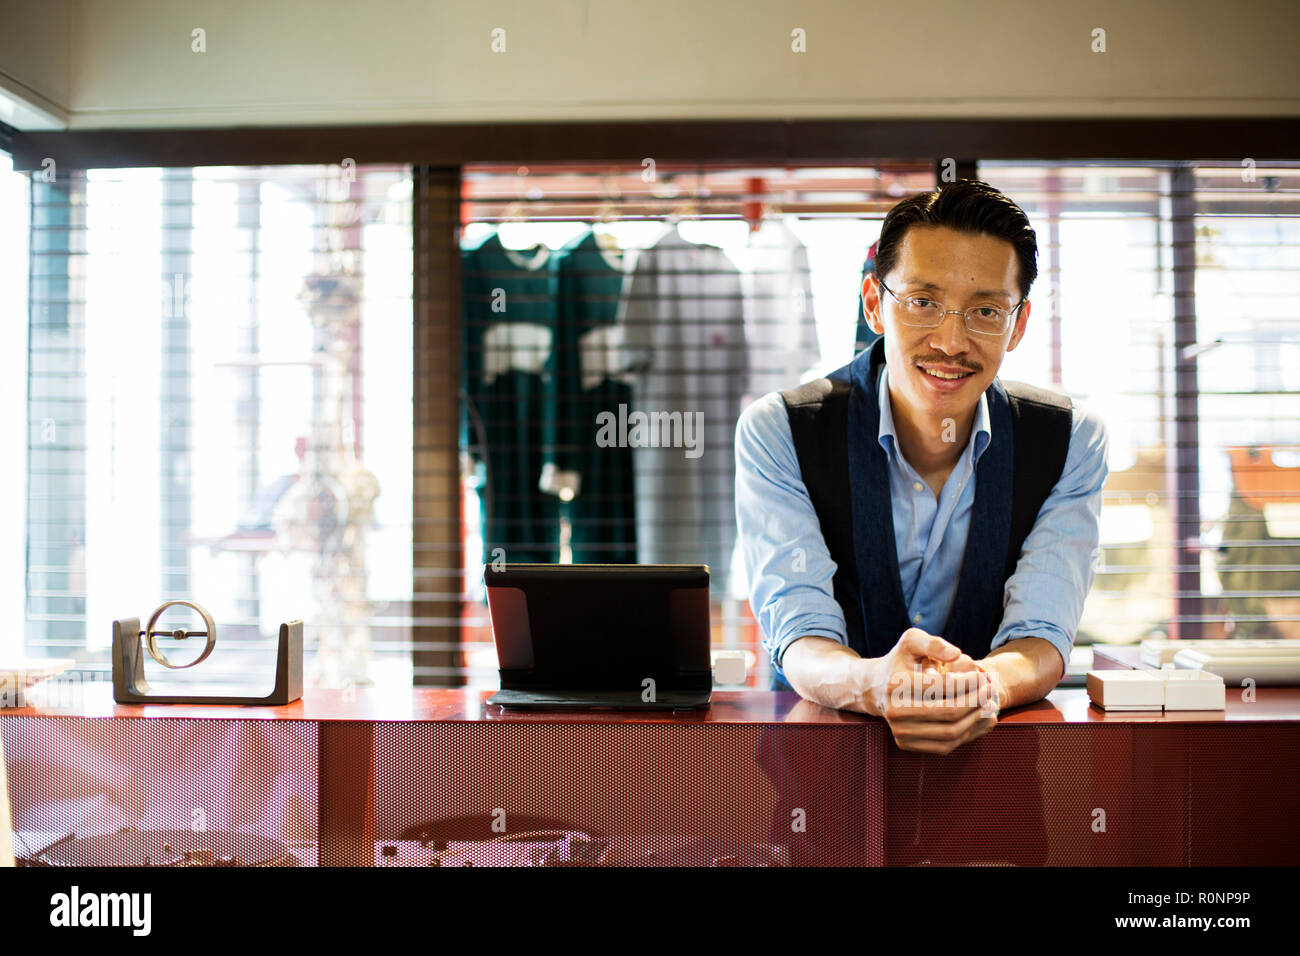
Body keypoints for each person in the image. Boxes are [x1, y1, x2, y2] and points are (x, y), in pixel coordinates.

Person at [736, 179, 1110, 755]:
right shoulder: (781, 431)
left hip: (995, 771)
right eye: (923, 302)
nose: (951, 340)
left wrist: (975, 688)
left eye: (985, 310)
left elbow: (1041, 633)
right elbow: (802, 634)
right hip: (820, 778)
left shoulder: (1069, 440)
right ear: (873, 303)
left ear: (1018, 323)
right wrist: (878, 685)